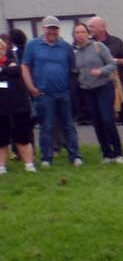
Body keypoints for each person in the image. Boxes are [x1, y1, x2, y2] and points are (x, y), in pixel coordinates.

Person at [21, 16, 80, 168]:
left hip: (63, 93)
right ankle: (47, 158)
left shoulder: (65, 47)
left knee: (69, 126)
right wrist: (31, 87)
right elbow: (25, 66)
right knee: (46, 127)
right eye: (49, 28)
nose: (52, 31)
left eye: (55, 28)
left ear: (58, 30)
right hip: (43, 94)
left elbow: (72, 69)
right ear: (43, 28)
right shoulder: (33, 45)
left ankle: (75, 156)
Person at [72, 22, 123, 163]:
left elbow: (112, 64)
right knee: (97, 122)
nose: (80, 35)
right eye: (77, 32)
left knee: (107, 119)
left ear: (88, 33)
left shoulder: (98, 46)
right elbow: (75, 71)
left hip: (104, 87)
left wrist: (101, 71)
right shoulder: (75, 53)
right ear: (74, 35)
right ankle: (106, 153)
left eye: (83, 32)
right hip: (87, 91)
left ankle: (118, 153)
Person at [87, 16, 123, 150]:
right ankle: (110, 142)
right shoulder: (89, 45)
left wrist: (115, 61)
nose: (89, 29)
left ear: (102, 27)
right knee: (106, 116)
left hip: (119, 85)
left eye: (92, 26)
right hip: (100, 86)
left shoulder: (116, 42)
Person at [0, 32, 37, 174]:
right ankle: (1, 167)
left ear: (4, 49)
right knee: (1, 140)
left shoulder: (13, 60)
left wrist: (3, 70)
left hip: (18, 107)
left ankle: (29, 164)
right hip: (1, 110)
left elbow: (15, 71)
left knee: (23, 137)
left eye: (1, 48)